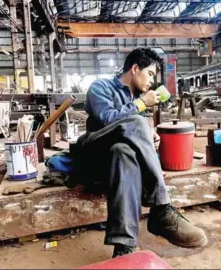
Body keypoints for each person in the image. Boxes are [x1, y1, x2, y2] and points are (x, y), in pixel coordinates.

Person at [75, 48, 207, 258]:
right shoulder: (101, 86)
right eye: (151, 74)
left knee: (123, 152)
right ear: (135, 69)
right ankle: (161, 209)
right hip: (93, 152)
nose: (152, 82)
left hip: (116, 159)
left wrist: (149, 134)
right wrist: (142, 104)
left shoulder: (135, 97)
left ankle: (124, 246)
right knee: (134, 125)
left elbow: (130, 131)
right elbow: (108, 118)